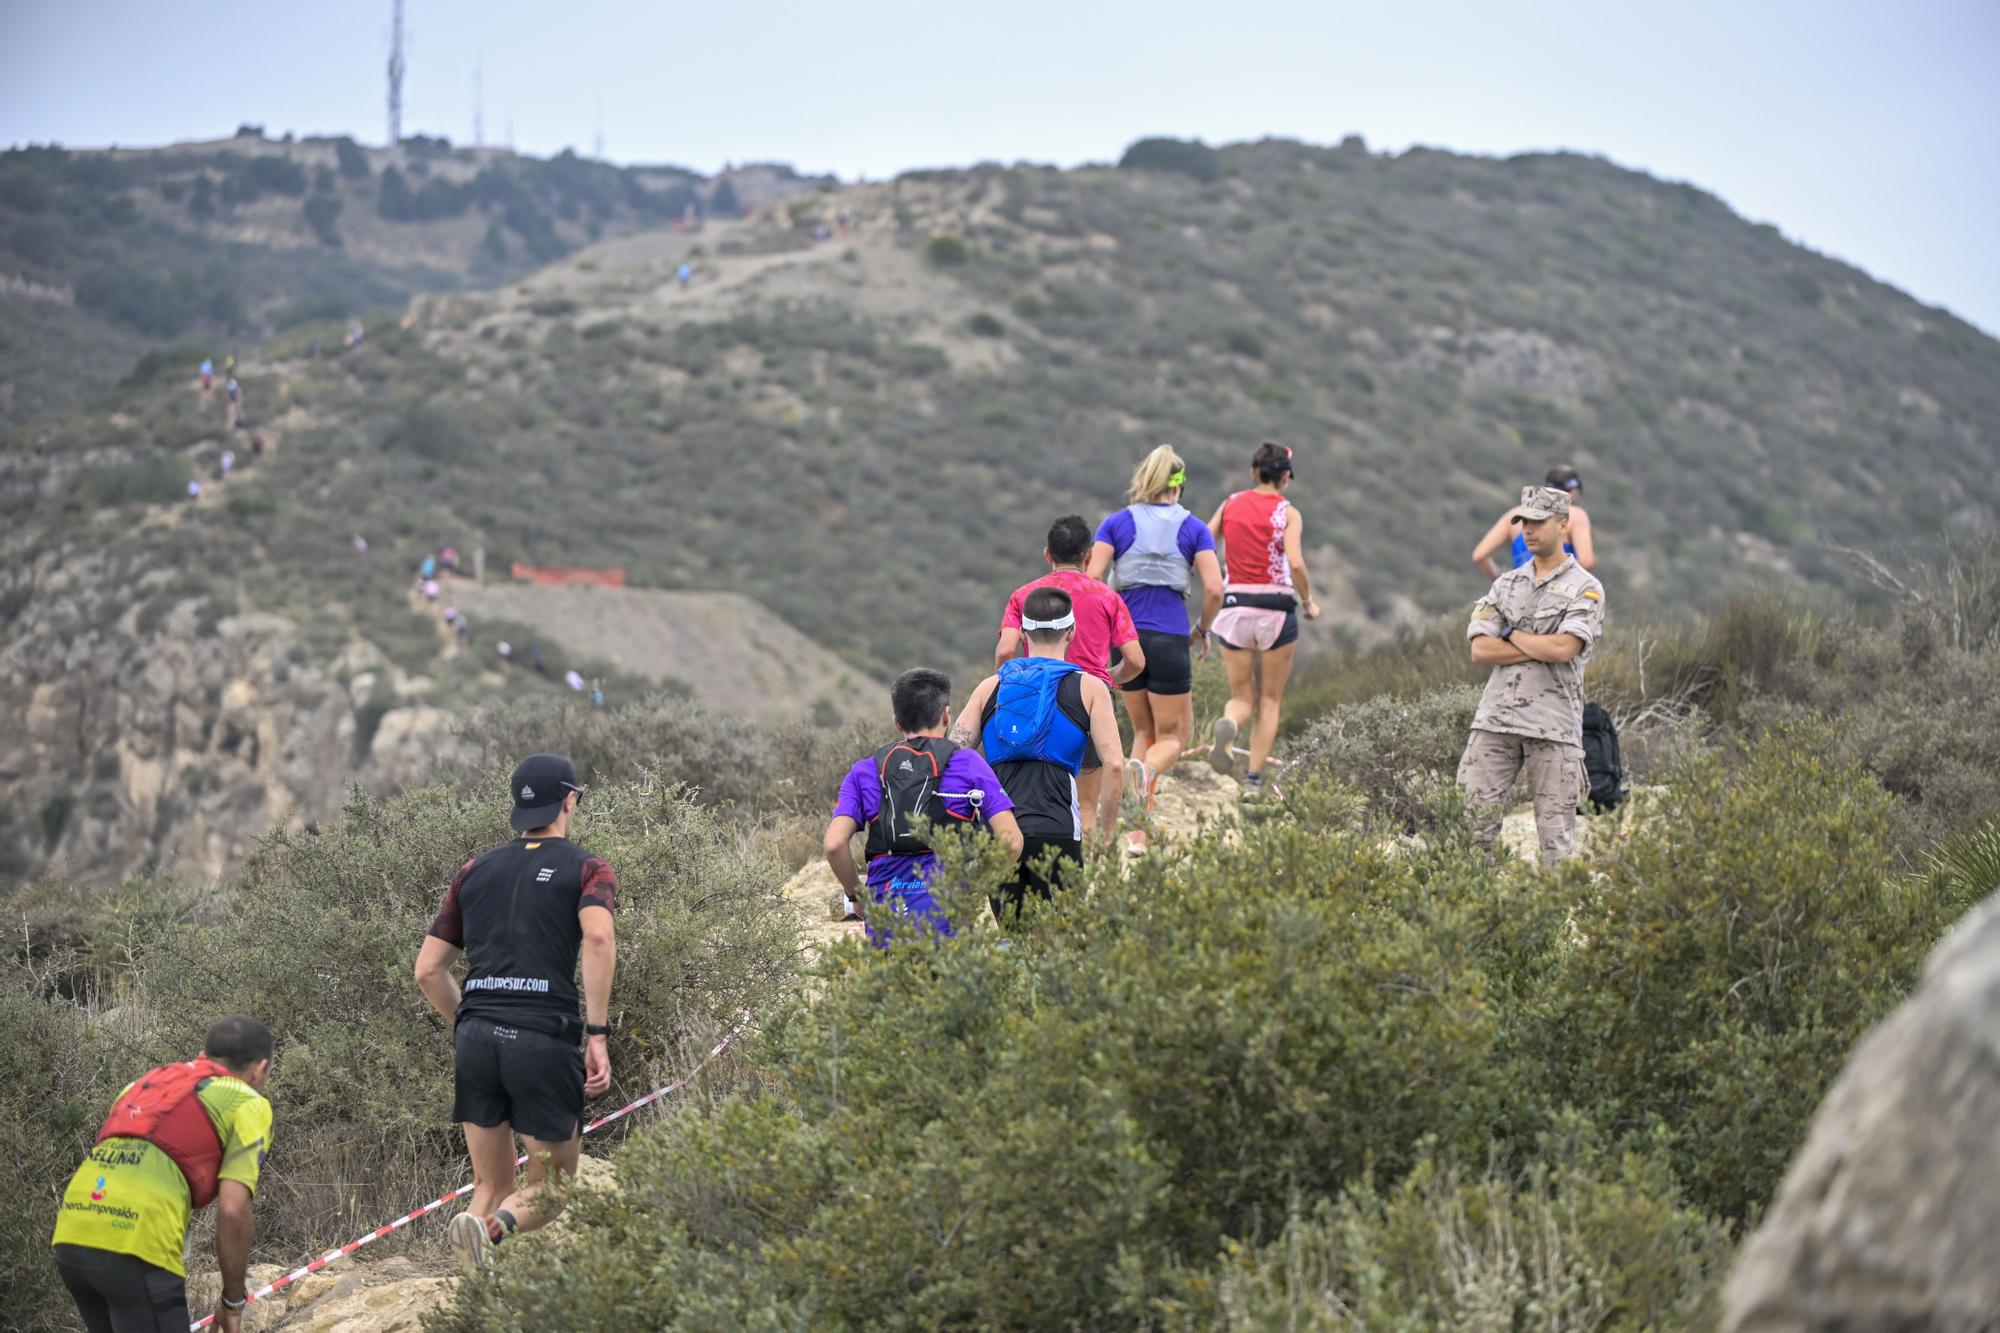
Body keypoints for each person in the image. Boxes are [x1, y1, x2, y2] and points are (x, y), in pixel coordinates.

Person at [414, 753, 618, 1272]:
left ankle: (469, 1288)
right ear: (569, 800)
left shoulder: (473, 870)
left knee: (490, 1184)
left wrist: (470, 1024)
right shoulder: (588, 867)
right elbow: (597, 935)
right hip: (542, 1037)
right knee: (548, 1189)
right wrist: (597, 1033)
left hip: (476, 1035)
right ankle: (497, 1229)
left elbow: (428, 971)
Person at [51, 1015, 276, 1333]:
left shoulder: (144, 1084)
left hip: (72, 1234)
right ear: (259, 1069)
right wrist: (232, 1300)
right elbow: (233, 1207)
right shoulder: (247, 1101)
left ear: (206, 1054)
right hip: (134, 1242)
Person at [953, 588, 1125, 922]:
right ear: (1072, 632)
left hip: (1000, 832)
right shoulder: (1090, 688)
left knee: (1014, 940)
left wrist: (966, 832)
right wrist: (1104, 837)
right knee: (1056, 947)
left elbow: (953, 758)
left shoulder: (990, 687)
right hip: (1058, 829)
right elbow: (1115, 765)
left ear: (1023, 635)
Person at [1459, 486, 1606, 867]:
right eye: (1524, 522)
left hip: (1553, 724)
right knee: (1469, 826)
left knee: (1556, 840)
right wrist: (1538, 643)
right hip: (1496, 719)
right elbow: (1480, 650)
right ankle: (1474, 916)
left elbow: (1564, 649)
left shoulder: (1586, 588)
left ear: (1563, 525)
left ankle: (1558, 923)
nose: (1528, 530)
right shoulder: (1505, 584)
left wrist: (1510, 633)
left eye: (1538, 522)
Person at [823, 668, 1021, 942]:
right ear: (946, 715)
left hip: (886, 903)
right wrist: (974, 883)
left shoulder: (864, 771)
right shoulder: (968, 763)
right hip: (947, 901)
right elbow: (1011, 841)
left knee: (894, 983)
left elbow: (834, 845)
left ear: (897, 722)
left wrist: (857, 895)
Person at [1088, 444, 1223, 845]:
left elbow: (1094, 578)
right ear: (1178, 487)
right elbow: (1214, 587)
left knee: (1142, 731)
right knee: (1173, 738)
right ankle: (1146, 776)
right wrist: (1201, 628)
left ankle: (1136, 836)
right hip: (1169, 638)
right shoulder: (1194, 528)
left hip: (1124, 639)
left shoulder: (1115, 523)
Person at [995, 514, 1143, 831]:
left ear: (1047, 553)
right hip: (1089, 700)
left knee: (1025, 800)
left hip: (1032, 698)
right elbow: (1136, 660)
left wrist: (1011, 684)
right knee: (1085, 805)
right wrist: (1108, 679)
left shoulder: (1024, 596)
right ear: (1088, 556)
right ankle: (1083, 874)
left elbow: (1006, 651)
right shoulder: (1108, 598)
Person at [1205, 443, 1321, 797]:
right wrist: (1308, 601)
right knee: (1270, 700)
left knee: (1242, 696)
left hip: (1235, 604)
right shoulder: (1289, 512)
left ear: (1254, 472)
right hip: (1276, 609)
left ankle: (1230, 724)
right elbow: (1296, 563)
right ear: (1285, 476)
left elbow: (1205, 541)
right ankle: (1254, 781)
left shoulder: (1231, 504)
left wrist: (1216, 580)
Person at [1472, 465, 1596, 578]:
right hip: (1556, 596)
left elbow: (1480, 555)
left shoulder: (1515, 514)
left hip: (1520, 596)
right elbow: (1587, 561)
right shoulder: (1576, 515)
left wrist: (1504, 583)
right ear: (1574, 493)